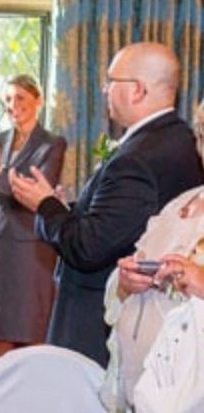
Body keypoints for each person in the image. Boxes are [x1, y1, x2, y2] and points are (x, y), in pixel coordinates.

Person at [10, 42, 204, 366]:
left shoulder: (138, 158)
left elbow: (89, 247)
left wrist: (45, 206)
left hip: (95, 320)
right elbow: (120, 222)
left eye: (111, 80)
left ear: (137, 90)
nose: (105, 89)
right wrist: (67, 208)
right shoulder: (180, 140)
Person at [98, 98, 204, 413]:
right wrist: (126, 281)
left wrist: (199, 280)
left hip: (194, 405)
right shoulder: (181, 203)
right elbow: (128, 273)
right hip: (147, 388)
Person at [0, 75, 66, 361]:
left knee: (32, 329)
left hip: (32, 247)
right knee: (0, 331)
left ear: (39, 101)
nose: (13, 105)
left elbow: (32, 195)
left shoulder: (52, 144)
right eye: (8, 100)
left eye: (20, 98)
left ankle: (30, 401)